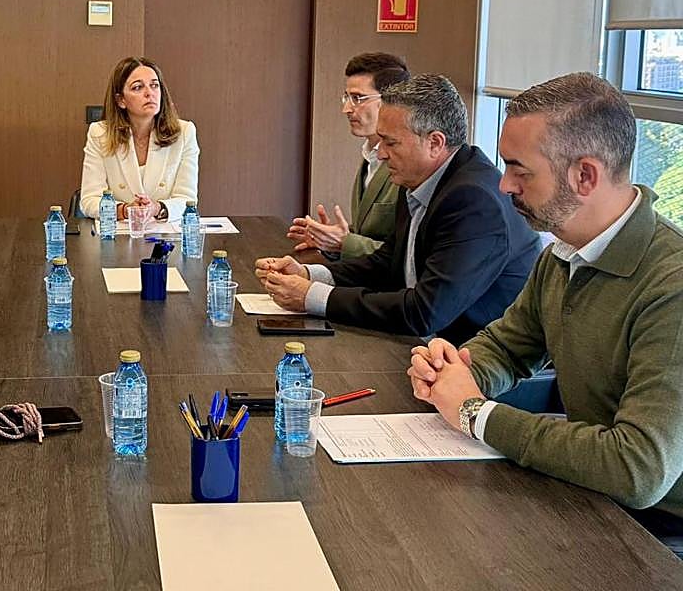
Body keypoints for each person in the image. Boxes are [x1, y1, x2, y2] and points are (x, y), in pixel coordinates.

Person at [408, 73, 683, 552]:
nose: (504, 183)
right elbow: (508, 345)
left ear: (585, 176)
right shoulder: (564, 251)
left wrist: (475, 413)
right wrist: (452, 370)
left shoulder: (671, 286)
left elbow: (639, 469)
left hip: (655, 532)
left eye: (520, 170)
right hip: (591, 496)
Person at [256, 74, 540, 343]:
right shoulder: (421, 178)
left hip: (471, 361)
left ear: (435, 143)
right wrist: (309, 275)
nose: (380, 153)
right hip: (423, 347)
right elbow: (387, 264)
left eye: (390, 143)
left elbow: (425, 312)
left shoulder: (474, 201)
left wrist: (312, 297)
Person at [288, 52, 409, 258]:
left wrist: (344, 242)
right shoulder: (369, 154)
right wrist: (329, 240)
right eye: (347, 97)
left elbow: (404, 256)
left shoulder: (408, 164)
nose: (346, 109)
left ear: (391, 100)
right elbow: (367, 235)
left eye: (357, 98)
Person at [80, 56, 199, 222]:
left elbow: (187, 200)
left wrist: (157, 208)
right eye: (137, 87)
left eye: (154, 85)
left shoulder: (185, 132)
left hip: (165, 235)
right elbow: (89, 200)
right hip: (119, 234)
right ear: (121, 100)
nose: (149, 93)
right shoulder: (100, 133)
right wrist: (124, 210)